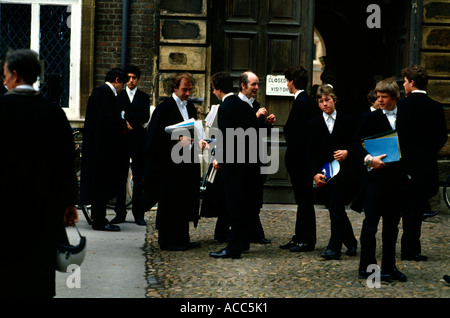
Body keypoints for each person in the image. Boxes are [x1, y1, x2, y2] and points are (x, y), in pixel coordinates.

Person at [0, 49, 79, 297]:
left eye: (4, 74)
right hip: (44, 209)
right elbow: (67, 160)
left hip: (5, 209)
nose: (3, 80)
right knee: (39, 275)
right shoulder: (54, 112)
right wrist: (69, 202)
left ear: (14, 75)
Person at [355, 77, 408, 282]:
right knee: (370, 226)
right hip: (375, 181)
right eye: (378, 97)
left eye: (384, 97)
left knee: (392, 226)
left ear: (395, 97)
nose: (380, 101)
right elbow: (355, 144)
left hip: (397, 181)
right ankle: (368, 269)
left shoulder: (405, 116)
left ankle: (388, 267)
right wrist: (370, 159)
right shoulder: (370, 118)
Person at [143, 72, 204, 251]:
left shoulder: (190, 108)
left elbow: (193, 131)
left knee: (184, 200)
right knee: (170, 201)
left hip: (186, 162)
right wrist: (174, 141)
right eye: (184, 89)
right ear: (174, 88)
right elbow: (153, 138)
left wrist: (197, 140)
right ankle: (168, 240)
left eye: (190, 89)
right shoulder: (165, 108)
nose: (187, 93)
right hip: (169, 164)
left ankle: (183, 238)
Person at [397, 65, 447, 262]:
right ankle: (411, 249)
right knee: (416, 210)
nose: (403, 84)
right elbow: (442, 136)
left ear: (412, 83)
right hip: (425, 165)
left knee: (400, 209)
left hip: (404, 164)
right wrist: (427, 152)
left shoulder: (402, 105)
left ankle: (404, 248)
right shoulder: (435, 106)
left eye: (405, 81)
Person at [209, 72, 260, 259]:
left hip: (234, 164)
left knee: (233, 206)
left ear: (218, 89)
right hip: (249, 164)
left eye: (213, 89)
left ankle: (234, 247)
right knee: (243, 204)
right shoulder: (246, 106)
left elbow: (225, 138)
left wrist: (219, 159)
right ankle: (242, 241)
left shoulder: (225, 107)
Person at [308, 84, 358, 260]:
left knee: (335, 205)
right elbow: (310, 151)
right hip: (324, 173)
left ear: (334, 100)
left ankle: (334, 247)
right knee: (334, 207)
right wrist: (314, 173)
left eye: (327, 100)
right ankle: (351, 241)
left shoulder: (348, 120)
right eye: (321, 101)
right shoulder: (313, 124)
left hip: (344, 172)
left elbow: (357, 143)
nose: (325, 104)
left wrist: (347, 152)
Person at [80, 68, 131, 231]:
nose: (122, 88)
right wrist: (123, 123)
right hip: (102, 150)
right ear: (117, 80)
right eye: (122, 84)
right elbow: (107, 118)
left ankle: (98, 218)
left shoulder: (99, 93)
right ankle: (99, 220)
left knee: (99, 185)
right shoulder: (105, 93)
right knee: (101, 185)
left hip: (98, 147)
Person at [279, 65, 321, 252]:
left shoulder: (302, 102)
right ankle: (299, 236)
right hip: (301, 159)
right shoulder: (305, 101)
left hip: (301, 160)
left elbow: (298, 133)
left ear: (292, 82)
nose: (287, 85)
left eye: (287, 81)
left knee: (304, 200)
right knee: (302, 200)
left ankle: (307, 239)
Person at [237, 71, 274, 244]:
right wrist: (255, 117)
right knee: (242, 197)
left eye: (257, 84)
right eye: (253, 84)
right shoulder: (235, 104)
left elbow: (259, 134)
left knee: (255, 197)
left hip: (256, 159)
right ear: (243, 85)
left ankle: (253, 232)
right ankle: (241, 233)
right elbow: (238, 132)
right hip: (241, 159)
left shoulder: (256, 104)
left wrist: (267, 124)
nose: (257, 88)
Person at [113, 65, 150, 226]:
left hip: (138, 139)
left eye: (134, 78)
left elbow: (145, 116)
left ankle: (138, 213)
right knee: (120, 176)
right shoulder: (118, 96)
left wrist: (126, 114)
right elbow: (115, 115)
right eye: (128, 78)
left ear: (138, 79)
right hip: (122, 139)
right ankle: (120, 212)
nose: (130, 81)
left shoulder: (143, 97)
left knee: (138, 177)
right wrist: (129, 116)